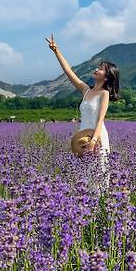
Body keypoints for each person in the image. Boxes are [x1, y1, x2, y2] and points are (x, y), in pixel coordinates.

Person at [46, 33, 120, 187]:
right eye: (98, 67)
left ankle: (101, 207)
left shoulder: (104, 93)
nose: (96, 69)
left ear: (106, 77)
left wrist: (94, 141)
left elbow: (100, 119)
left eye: (100, 69)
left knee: (98, 177)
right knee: (85, 178)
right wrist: (56, 51)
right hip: (83, 137)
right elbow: (69, 72)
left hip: (96, 138)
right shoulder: (86, 90)